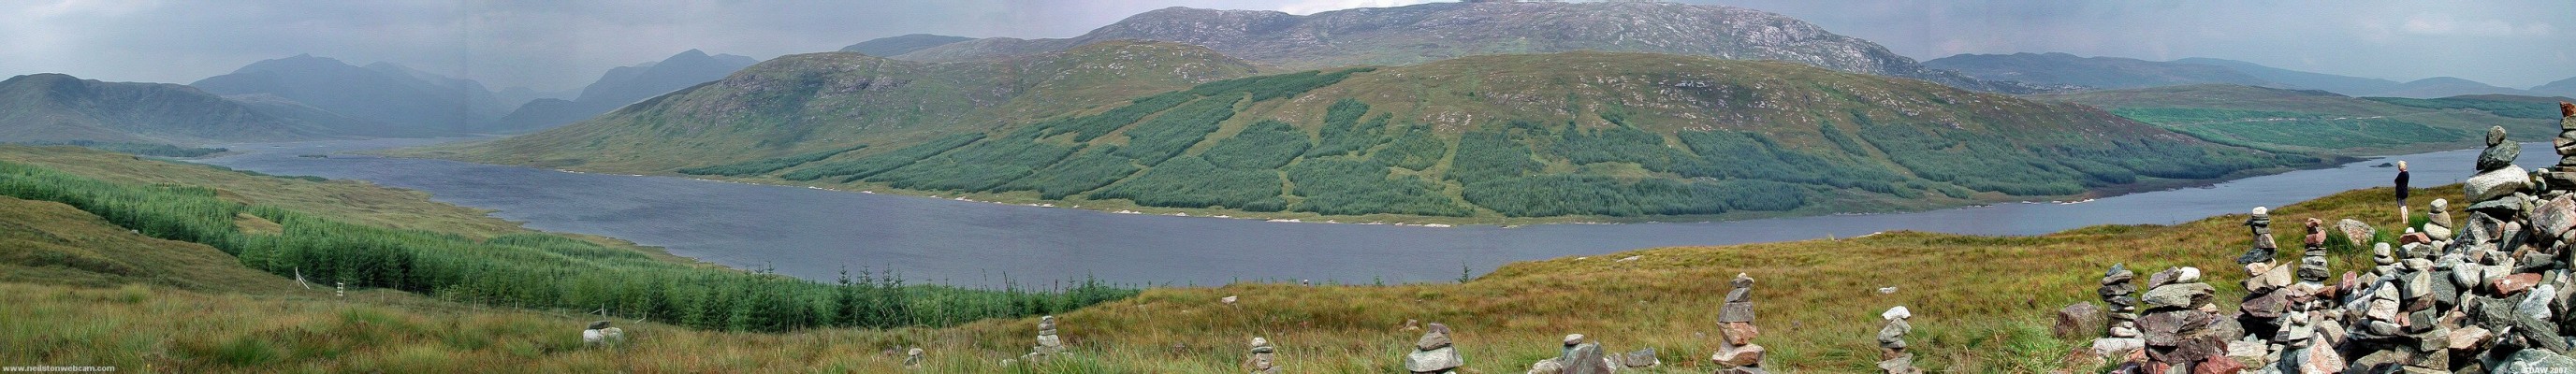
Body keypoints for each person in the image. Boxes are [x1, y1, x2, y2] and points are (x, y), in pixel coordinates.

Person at [2394, 160, 2410, 225]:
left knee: (2401, 206)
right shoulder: (2407, 173)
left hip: (2400, 192)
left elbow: (2396, 181)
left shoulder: (2401, 174)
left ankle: (2403, 221)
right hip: (2405, 191)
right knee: (2404, 206)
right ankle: (2407, 220)